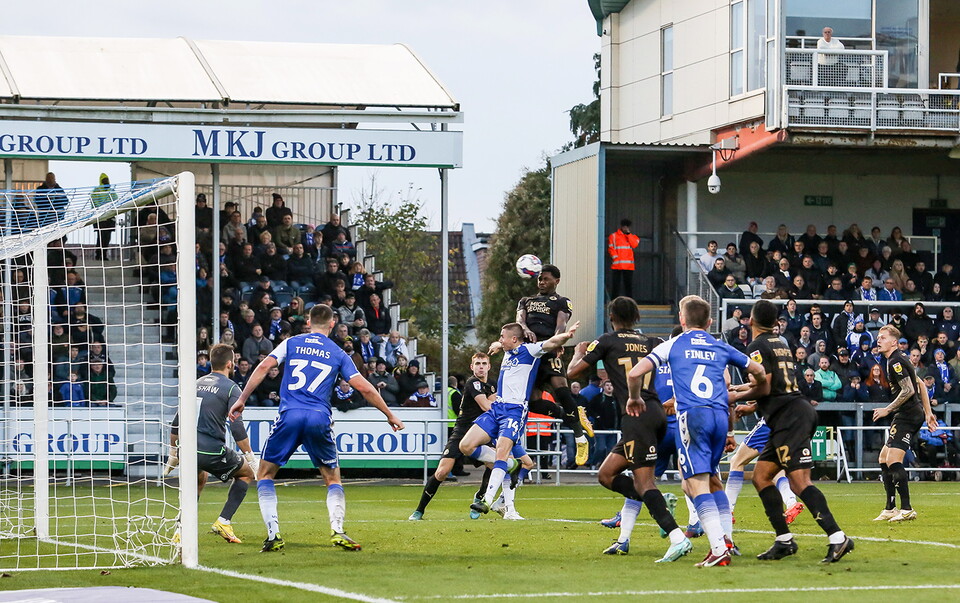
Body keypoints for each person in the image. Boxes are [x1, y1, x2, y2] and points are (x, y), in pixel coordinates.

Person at [229, 304, 404, 552]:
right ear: (332, 324)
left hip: (289, 415)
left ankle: (273, 534)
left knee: (265, 474)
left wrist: (242, 398)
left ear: (309, 322)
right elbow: (364, 387)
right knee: (332, 479)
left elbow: (264, 367)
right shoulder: (338, 352)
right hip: (319, 417)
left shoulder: (291, 343)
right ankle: (337, 529)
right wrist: (389, 414)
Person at [626, 295, 766, 567]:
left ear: (682, 319)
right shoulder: (719, 344)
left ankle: (717, 548)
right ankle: (726, 539)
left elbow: (634, 374)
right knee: (711, 481)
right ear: (710, 321)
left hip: (692, 416)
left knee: (693, 482)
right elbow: (758, 370)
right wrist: (755, 389)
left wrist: (635, 398)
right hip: (719, 416)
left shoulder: (674, 343)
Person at [729, 300, 853, 563]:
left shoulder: (756, 346)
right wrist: (752, 406)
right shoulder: (781, 342)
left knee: (799, 482)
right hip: (790, 412)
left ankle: (838, 538)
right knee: (761, 477)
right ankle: (784, 540)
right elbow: (778, 386)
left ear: (750, 321)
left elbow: (764, 387)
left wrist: (731, 397)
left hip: (789, 418)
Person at [567, 297, 690, 561]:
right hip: (655, 412)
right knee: (607, 474)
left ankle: (677, 537)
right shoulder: (653, 342)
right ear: (636, 317)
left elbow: (572, 374)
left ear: (611, 316)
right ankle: (653, 504)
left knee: (644, 483)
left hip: (636, 414)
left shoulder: (607, 341)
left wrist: (578, 351)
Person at [461, 320, 579, 516]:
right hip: (497, 408)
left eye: (502, 337)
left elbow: (549, 343)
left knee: (501, 452)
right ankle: (511, 466)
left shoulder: (530, 351)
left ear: (514, 339)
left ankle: (487, 501)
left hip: (514, 411)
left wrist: (566, 336)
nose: (499, 339)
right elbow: (501, 344)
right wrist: (499, 345)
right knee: (465, 446)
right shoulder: (507, 351)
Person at [165, 344, 257, 544]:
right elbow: (237, 427)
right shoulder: (232, 387)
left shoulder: (195, 383)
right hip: (211, 449)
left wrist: (173, 453)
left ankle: (180, 531)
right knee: (246, 473)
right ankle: (224, 521)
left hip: (188, 449)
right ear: (230, 364)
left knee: (199, 480)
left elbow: (175, 423)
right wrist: (251, 457)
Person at [515, 264, 592, 465]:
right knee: (532, 401)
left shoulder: (561, 302)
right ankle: (574, 413)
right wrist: (524, 328)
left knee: (561, 390)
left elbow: (561, 326)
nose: (541, 282)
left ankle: (580, 438)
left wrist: (557, 342)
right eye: (540, 279)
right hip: (530, 354)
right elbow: (519, 321)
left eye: (546, 279)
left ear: (556, 281)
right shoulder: (526, 301)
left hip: (548, 350)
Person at [410, 353, 501, 520]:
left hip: (481, 432)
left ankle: (480, 496)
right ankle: (419, 510)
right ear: (471, 367)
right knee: (442, 472)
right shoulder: (472, 382)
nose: (480, 366)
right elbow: (487, 406)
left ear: (489, 366)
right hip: (462, 431)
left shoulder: (492, 384)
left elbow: (493, 405)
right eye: (477, 363)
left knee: (494, 464)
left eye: (484, 363)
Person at [871, 325, 938, 523]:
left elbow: (908, 390)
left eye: (883, 338)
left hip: (907, 415)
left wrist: (887, 409)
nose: (878, 340)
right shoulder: (898, 359)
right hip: (907, 413)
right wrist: (928, 413)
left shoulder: (896, 361)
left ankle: (907, 508)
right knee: (884, 458)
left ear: (893, 342)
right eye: (878, 337)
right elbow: (920, 385)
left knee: (893, 459)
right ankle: (890, 508)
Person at [607, 218, 639, 299]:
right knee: (615, 286)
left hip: (628, 266)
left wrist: (628, 235)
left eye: (627, 227)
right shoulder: (613, 236)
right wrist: (616, 258)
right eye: (624, 227)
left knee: (628, 286)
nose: (626, 228)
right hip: (617, 265)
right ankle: (614, 302)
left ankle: (630, 302)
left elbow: (634, 244)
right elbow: (611, 248)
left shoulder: (633, 237)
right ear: (621, 227)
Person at [91, 173, 118, 260]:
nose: (106, 182)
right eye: (104, 180)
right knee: (101, 236)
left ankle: (104, 254)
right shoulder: (96, 191)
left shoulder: (112, 191)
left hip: (110, 217)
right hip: (100, 217)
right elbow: (94, 203)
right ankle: (98, 254)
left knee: (107, 237)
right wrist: (104, 209)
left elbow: (116, 201)